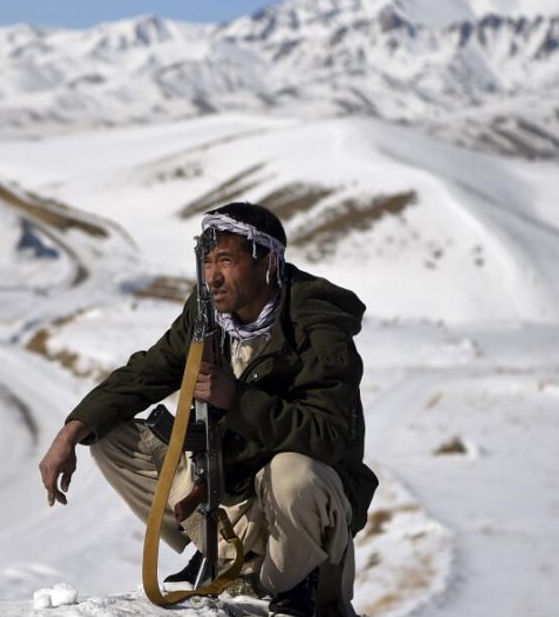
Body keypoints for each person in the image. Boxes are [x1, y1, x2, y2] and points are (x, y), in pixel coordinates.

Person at [38, 202, 377, 617]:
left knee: (293, 473)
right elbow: (148, 372)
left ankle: (291, 580)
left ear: (267, 262)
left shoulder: (317, 325)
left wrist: (236, 400)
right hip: (230, 493)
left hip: (299, 507)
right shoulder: (208, 314)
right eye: (207, 261)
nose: (211, 276)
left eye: (227, 261)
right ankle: (215, 552)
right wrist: (72, 430)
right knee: (108, 437)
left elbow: (331, 436)